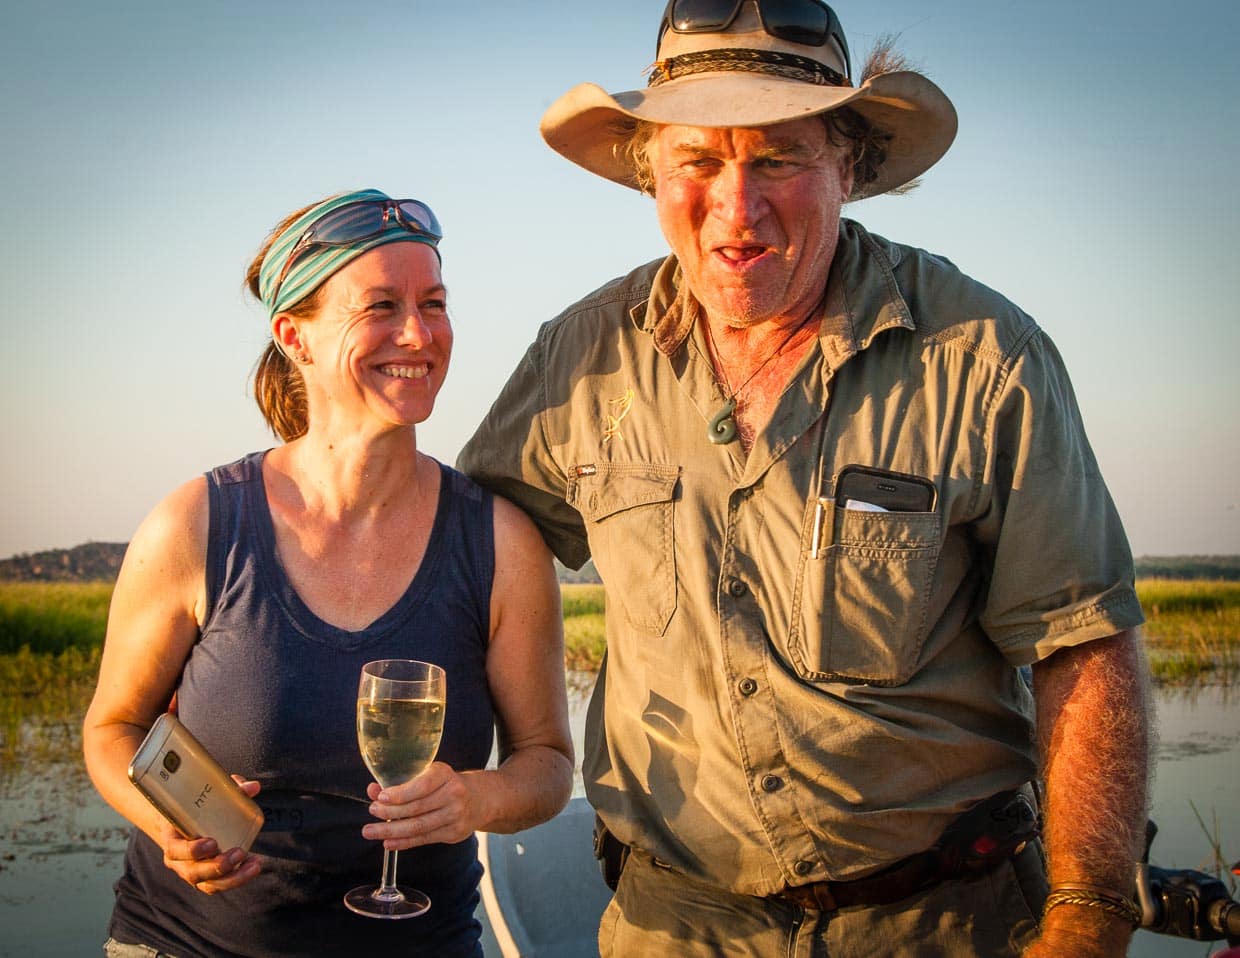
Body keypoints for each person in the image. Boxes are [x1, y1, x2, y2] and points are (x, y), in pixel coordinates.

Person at [457, 3, 1151, 956]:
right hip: (669, 925)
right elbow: (461, 563)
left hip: (945, 924)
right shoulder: (581, 356)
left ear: (850, 168)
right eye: (698, 159)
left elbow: (1082, 642)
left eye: (780, 159)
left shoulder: (984, 356)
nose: (737, 209)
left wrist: (1090, 913)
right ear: (649, 171)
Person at [83, 189, 573, 957]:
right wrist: (168, 824)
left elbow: (546, 763)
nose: (419, 332)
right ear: (294, 336)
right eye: (380, 305)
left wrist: (473, 797)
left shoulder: (501, 542)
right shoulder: (196, 524)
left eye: (434, 303)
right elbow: (112, 730)